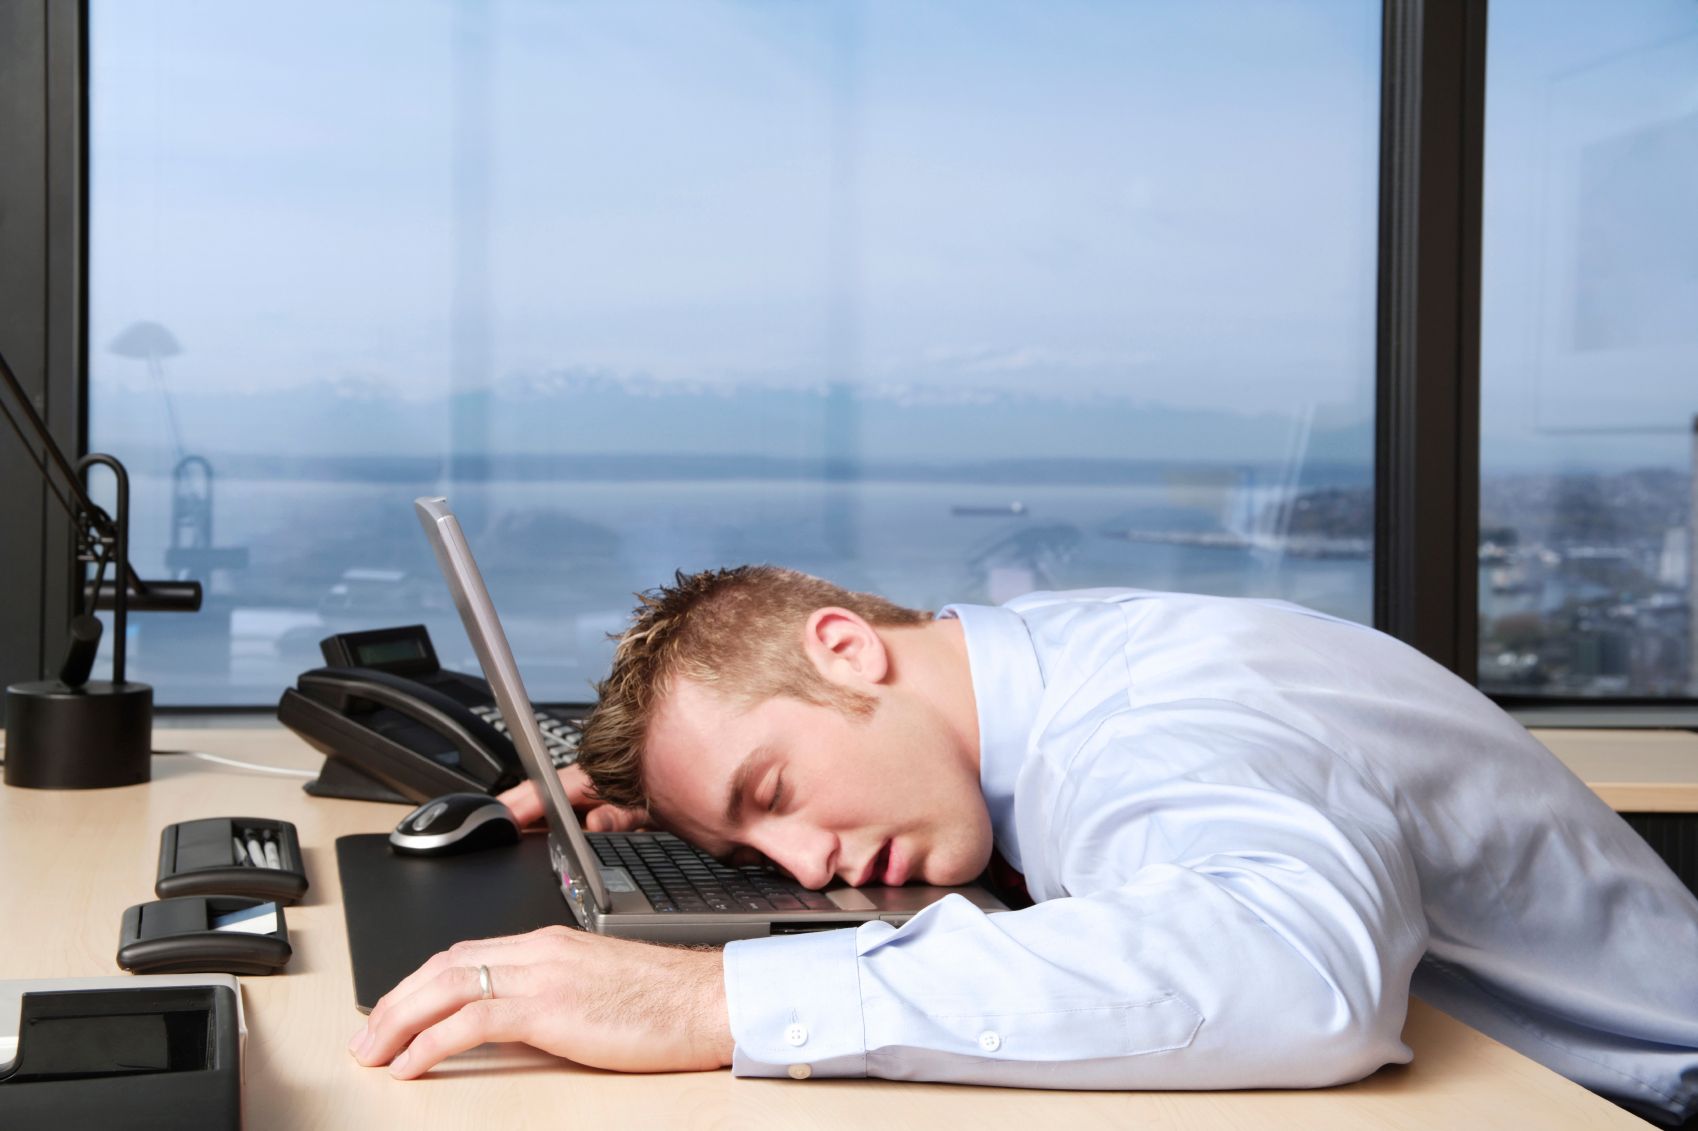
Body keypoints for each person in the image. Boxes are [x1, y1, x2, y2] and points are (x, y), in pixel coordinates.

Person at [348, 567, 1698, 1124]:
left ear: (841, 646)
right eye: (753, 839)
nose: (806, 861)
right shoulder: (1001, 663)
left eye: (773, 791)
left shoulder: (1155, 724)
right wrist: (665, 786)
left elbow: (1297, 981)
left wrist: (709, 997)